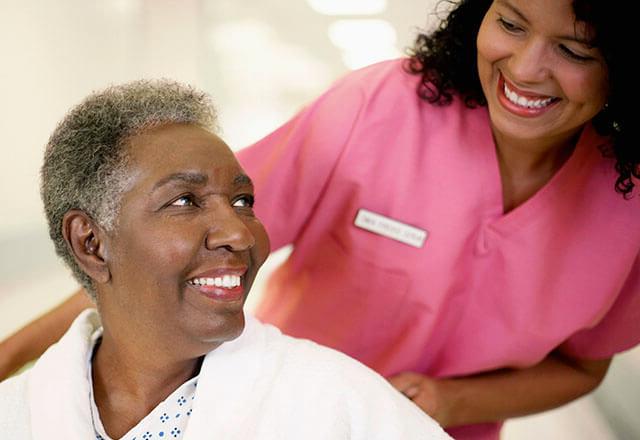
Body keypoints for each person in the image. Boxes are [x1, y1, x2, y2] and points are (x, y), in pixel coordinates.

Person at [1, 0, 637, 438]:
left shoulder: (627, 209)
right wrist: (8, 358)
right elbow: (144, 260)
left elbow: (584, 365)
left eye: (575, 49)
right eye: (510, 23)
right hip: (265, 414)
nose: (525, 68)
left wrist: (452, 401)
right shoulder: (380, 110)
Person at [0, 80, 450, 439]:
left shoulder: (341, 404)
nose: (239, 234)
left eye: (242, 201)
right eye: (183, 201)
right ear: (92, 244)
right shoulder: (16, 415)